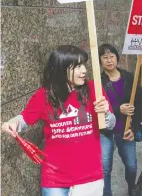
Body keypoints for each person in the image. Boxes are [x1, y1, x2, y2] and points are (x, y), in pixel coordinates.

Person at [1, 45, 116, 196]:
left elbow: (112, 123)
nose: (84, 71)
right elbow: (25, 118)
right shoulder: (44, 95)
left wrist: (105, 113)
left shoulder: (94, 89)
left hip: (89, 176)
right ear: (62, 68)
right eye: (78, 66)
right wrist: (13, 123)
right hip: (54, 178)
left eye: (84, 65)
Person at [98, 44, 142, 196]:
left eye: (112, 56)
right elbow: (97, 106)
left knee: (131, 166)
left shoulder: (129, 77)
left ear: (117, 58)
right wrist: (119, 109)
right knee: (105, 168)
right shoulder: (98, 82)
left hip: (126, 129)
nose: (109, 60)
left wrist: (134, 128)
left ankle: (132, 188)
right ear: (100, 60)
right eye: (105, 57)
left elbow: (138, 103)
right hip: (106, 132)